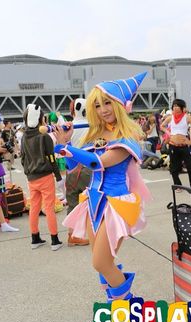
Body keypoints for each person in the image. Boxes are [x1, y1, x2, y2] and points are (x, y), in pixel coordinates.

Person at [54, 72, 151, 302]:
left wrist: (68, 148)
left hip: (116, 204)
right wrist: (64, 142)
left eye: (107, 102)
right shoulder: (95, 133)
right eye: (97, 105)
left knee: (100, 261)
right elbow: (72, 164)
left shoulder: (128, 137)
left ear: (119, 105)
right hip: (93, 201)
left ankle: (127, 301)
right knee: (100, 261)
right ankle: (114, 297)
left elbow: (96, 163)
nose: (103, 109)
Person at [21, 104, 64, 251]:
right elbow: (52, 158)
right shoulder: (44, 136)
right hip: (45, 176)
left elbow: (23, 158)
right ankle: (54, 240)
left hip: (31, 177)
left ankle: (35, 238)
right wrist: (58, 176)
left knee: (34, 207)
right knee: (49, 208)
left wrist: (28, 171)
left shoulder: (24, 136)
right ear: (40, 118)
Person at [65, 98, 90, 246]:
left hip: (71, 169)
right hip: (88, 169)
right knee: (96, 201)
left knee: (72, 203)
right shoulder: (91, 126)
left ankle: (72, 235)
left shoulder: (69, 127)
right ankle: (100, 232)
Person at [160, 99, 191, 191]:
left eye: (177, 105)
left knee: (190, 166)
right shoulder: (170, 117)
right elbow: (162, 126)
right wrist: (168, 133)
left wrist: (190, 142)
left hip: (184, 146)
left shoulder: (187, 117)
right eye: (174, 106)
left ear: (182, 107)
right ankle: (177, 185)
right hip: (173, 145)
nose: (175, 107)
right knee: (174, 167)